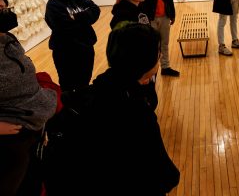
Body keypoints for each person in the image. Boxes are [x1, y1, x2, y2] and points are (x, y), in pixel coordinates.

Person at [43, 23, 180, 196]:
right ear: (147, 60)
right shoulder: (137, 112)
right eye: (157, 52)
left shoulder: (84, 96)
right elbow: (164, 175)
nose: (160, 56)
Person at [0, 0, 57, 196]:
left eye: (4, 8)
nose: (4, 13)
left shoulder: (8, 38)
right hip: (11, 137)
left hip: (33, 122)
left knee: (34, 180)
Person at [45, 0, 100, 92]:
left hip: (86, 47)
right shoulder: (53, 5)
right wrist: (85, 18)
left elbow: (96, 10)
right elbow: (64, 27)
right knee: (68, 85)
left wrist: (75, 17)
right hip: (66, 51)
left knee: (84, 81)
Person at [137, 0, 180, 77]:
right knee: (152, 45)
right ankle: (151, 70)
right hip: (150, 17)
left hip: (164, 15)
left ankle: (165, 67)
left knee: (164, 43)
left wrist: (172, 13)